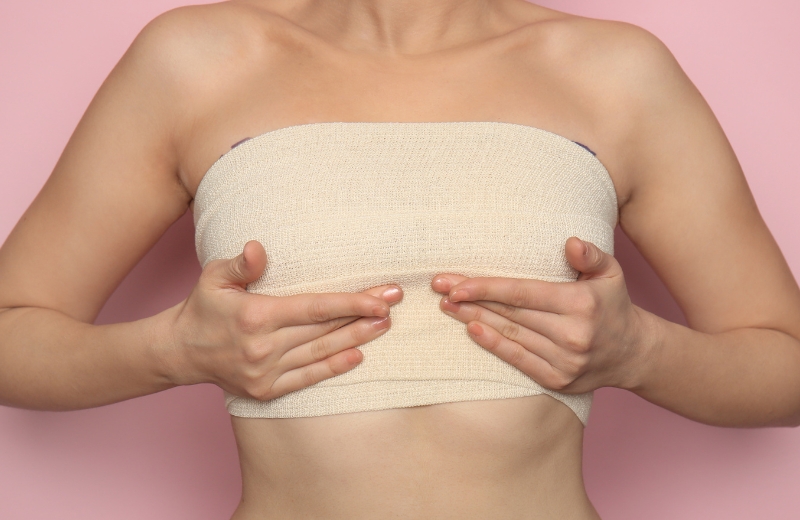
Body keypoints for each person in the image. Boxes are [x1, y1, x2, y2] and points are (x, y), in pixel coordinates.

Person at [1, 0, 799, 518]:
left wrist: (641, 351)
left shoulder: (617, 72)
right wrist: (170, 351)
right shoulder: (196, 59)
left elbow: (785, 365)